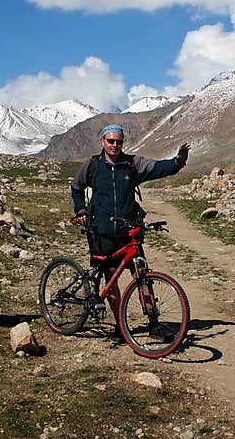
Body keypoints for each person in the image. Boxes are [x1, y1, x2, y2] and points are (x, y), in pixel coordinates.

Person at [71, 123, 190, 337]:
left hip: (129, 231)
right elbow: (76, 187)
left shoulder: (133, 164)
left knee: (142, 275)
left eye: (119, 141)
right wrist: (80, 209)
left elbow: (161, 168)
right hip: (102, 232)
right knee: (111, 279)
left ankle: (154, 323)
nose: (115, 145)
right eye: (111, 141)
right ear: (102, 142)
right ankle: (120, 327)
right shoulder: (92, 165)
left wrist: (179, 160)